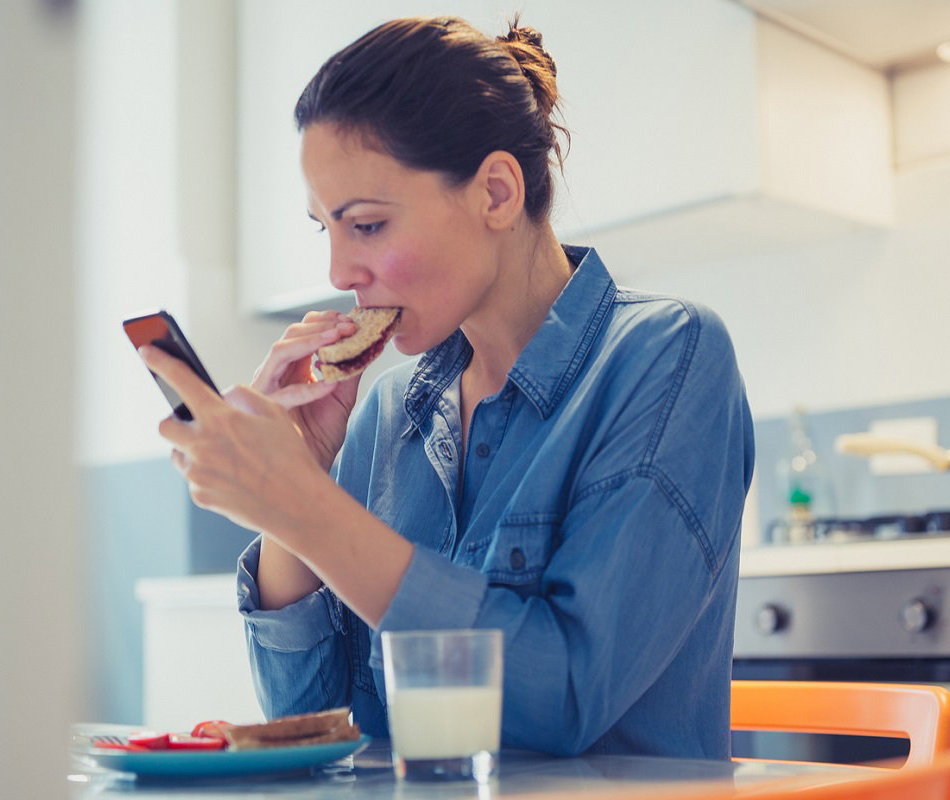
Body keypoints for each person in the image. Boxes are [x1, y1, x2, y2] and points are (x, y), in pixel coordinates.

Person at [141, 15, 754, 759]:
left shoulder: (668, 356)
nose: (339, 273)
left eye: (365, 225)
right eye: (323, 230)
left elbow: (563, 696)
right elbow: (317, 728)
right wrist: (294, 494)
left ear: (496, 192)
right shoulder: (388, 412)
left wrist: (301, 505)